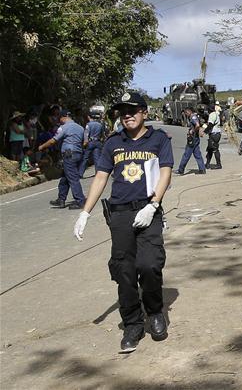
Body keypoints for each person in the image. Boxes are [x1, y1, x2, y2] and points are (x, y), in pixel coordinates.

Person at [72, 91, 173, 353]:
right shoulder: (112, 143)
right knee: (124, 270)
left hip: (148, 211)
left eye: (132, 110)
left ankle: (155, 312)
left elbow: (165, 173)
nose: (127, 115)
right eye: (122, 112)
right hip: (120, 214)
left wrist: (154, 204)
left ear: (144, 112)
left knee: (149, 265)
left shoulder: (159, 139)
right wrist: (85, 212)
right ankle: (132, 324)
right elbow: (101, 178)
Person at [39, 109, 86, 209]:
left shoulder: (63, 128)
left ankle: (80, 201)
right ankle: (61, 199)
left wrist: (42, 147)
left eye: (59, 118)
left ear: (63, 117)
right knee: (65, 177)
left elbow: (53, 141)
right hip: (78, 154)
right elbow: (85, 142)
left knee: (72, 178)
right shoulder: (80, 128)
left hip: (69, 154)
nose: (58, 120)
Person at [175, 107, 205, 175]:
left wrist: (192, 131)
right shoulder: (194, 116)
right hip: (196, 138)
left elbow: (197, 125)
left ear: (188, 111)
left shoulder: (193, 117)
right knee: (197, 154)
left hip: (193, 138)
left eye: (186, 113)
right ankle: (202, 169)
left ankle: (181, 170)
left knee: (186, 155)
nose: (186, 114)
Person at [79, 112, 106, 177]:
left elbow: (86, 134)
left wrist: (84, 143)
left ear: (89, 117)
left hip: (90, 142)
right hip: (98, 142)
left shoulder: (88, 125)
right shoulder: (100, 124)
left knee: (85, 158)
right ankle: (97, 173)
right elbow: (103, 135)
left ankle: (80, 173)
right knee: (97, 159)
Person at [204, 105, 222, 169]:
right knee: (210, 149)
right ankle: (207, 164)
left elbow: (211, 124)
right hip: (217, 134)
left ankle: (219, 164)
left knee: (215, 149)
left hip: (214, 134)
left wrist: (204, 131)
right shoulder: (216, 114)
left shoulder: (212, 115)